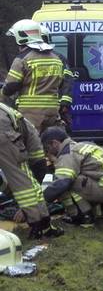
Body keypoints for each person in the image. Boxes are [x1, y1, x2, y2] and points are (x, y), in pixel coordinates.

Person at [41, 127, 103, 228]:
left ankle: (83, 216)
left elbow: (61, 183)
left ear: (54, 143)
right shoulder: (81, 145)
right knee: (78, 178)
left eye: (47, 148)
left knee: (68, 182)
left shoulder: (67, 154)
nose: (47, 152)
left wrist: (41, 200)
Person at [0, 102, 63, 238]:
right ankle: (40, 225)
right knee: (24, 181)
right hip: (3, 129)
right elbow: (34, 172)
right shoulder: (30, 135)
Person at [2, 19, 73, 132]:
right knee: (51, 143)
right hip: (53, 113)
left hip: (31, 114)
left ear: (21, 37)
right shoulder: (56, 59)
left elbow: (10, 87)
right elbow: (63, 84)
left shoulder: (22, 59)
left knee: (31, 145)